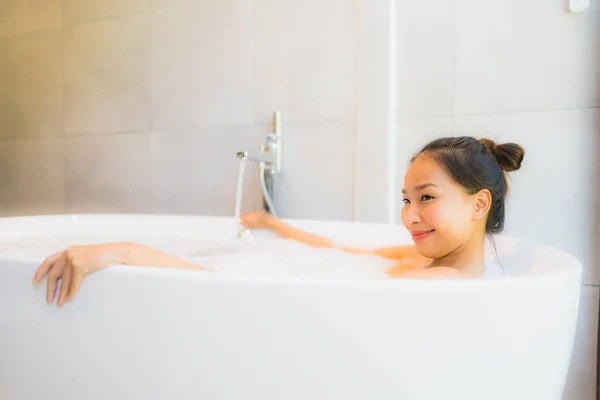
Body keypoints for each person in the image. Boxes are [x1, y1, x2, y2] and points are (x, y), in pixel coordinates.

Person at [32, 136, 524, 307]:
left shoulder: (438, 282)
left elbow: (254, 292)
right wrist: (278, 226)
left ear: (479, 205)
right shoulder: (432, 262)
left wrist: (124, 251)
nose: (408, 216)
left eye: (426, 198)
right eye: (405, 199)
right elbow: (344, 253)